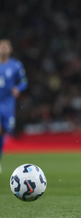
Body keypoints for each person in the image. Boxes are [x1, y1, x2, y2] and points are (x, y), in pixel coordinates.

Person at [0, 39, 28, 173]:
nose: (4, 49)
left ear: (10, 50)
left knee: (4, 132)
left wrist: (18, 88)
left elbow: (24, 82)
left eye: (6, 46)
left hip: (8, 104)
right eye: (2, 46)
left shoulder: (16, 65)